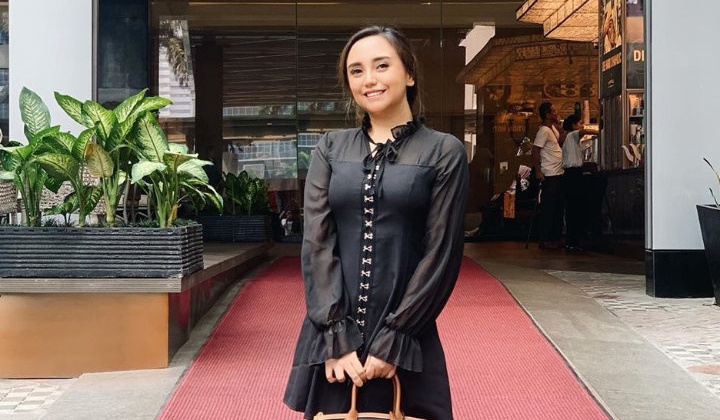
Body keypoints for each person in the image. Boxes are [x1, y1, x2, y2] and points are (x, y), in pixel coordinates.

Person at [284, 25, 469, 419]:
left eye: (382, 65)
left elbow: (441, 253)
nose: (369, 79)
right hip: (336, 339)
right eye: (356, 71)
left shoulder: (443, 151)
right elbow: (317, 243)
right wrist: (335, 338)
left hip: (409, 334)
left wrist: (395, 338)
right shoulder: (330, 148)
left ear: (409, 73)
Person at [562, 114, 599, 251]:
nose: (582, 126)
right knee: (574, 207)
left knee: (574, 207)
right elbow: (584, 131)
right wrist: (598, 132)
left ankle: (574, 239)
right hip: (572, 174)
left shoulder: (574, 141)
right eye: (579, 123)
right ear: (573, 125)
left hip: (573, 174)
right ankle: (573, 240)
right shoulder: (572, 135)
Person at [532, 102, 564, 249]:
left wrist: (558, 125)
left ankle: (555, 237)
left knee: (557, 206)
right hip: (549, 172)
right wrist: (538, 170)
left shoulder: (552, 129)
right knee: (549, 207)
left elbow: (561, 140)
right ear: (547, 114)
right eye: (553, 111)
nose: (555, 113)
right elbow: (536, 150)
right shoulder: (543, 131)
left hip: (558, 171)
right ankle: (545, 238)